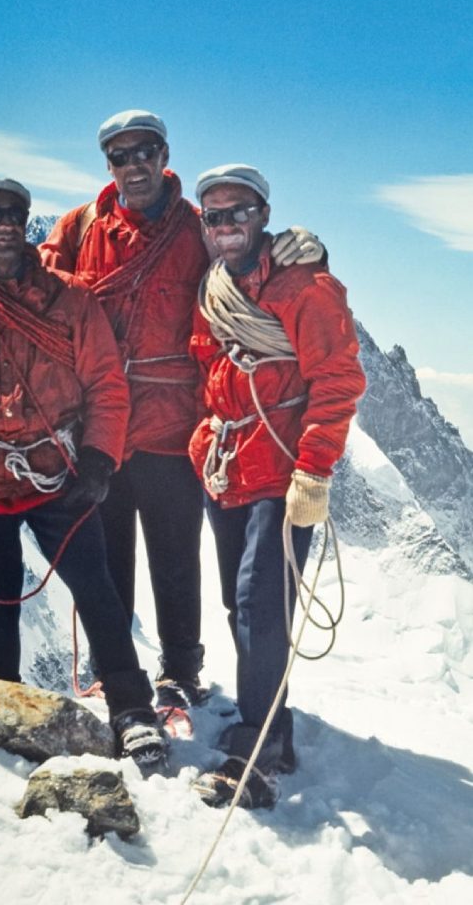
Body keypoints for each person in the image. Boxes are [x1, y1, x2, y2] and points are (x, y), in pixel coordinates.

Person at [0, 111, 324, 712]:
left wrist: (305, 249)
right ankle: (121, 680)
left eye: (145, 151)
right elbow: (23, 271)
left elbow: (249, 263)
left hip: (173, 427)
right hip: (101, 432)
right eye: (120, 155)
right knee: (107, 568)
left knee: (174, 558)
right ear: (108, 164)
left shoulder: (199, 227)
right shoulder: (81, 226)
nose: (134, 163)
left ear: (164, 154)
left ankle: (181, 670)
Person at [0, 177, 166, 768]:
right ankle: (6, 713)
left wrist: (100, 458)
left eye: (14, 212)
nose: (4, 222)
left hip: (57, 471)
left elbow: (105, 383)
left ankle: (131, 709)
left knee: (97, 592)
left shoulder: (71, 298)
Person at [187, 164, 366, 809]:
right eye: (214, 216)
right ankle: (270, 724)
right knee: (246, 606)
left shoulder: (307, 288)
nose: (226, 225)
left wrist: (314, 470)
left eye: (238, 213)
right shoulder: (214, 288)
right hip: (229, 464)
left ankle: (257, 752)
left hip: (283, 469)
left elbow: (338, 381)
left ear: (263, 216)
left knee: (262, 603)